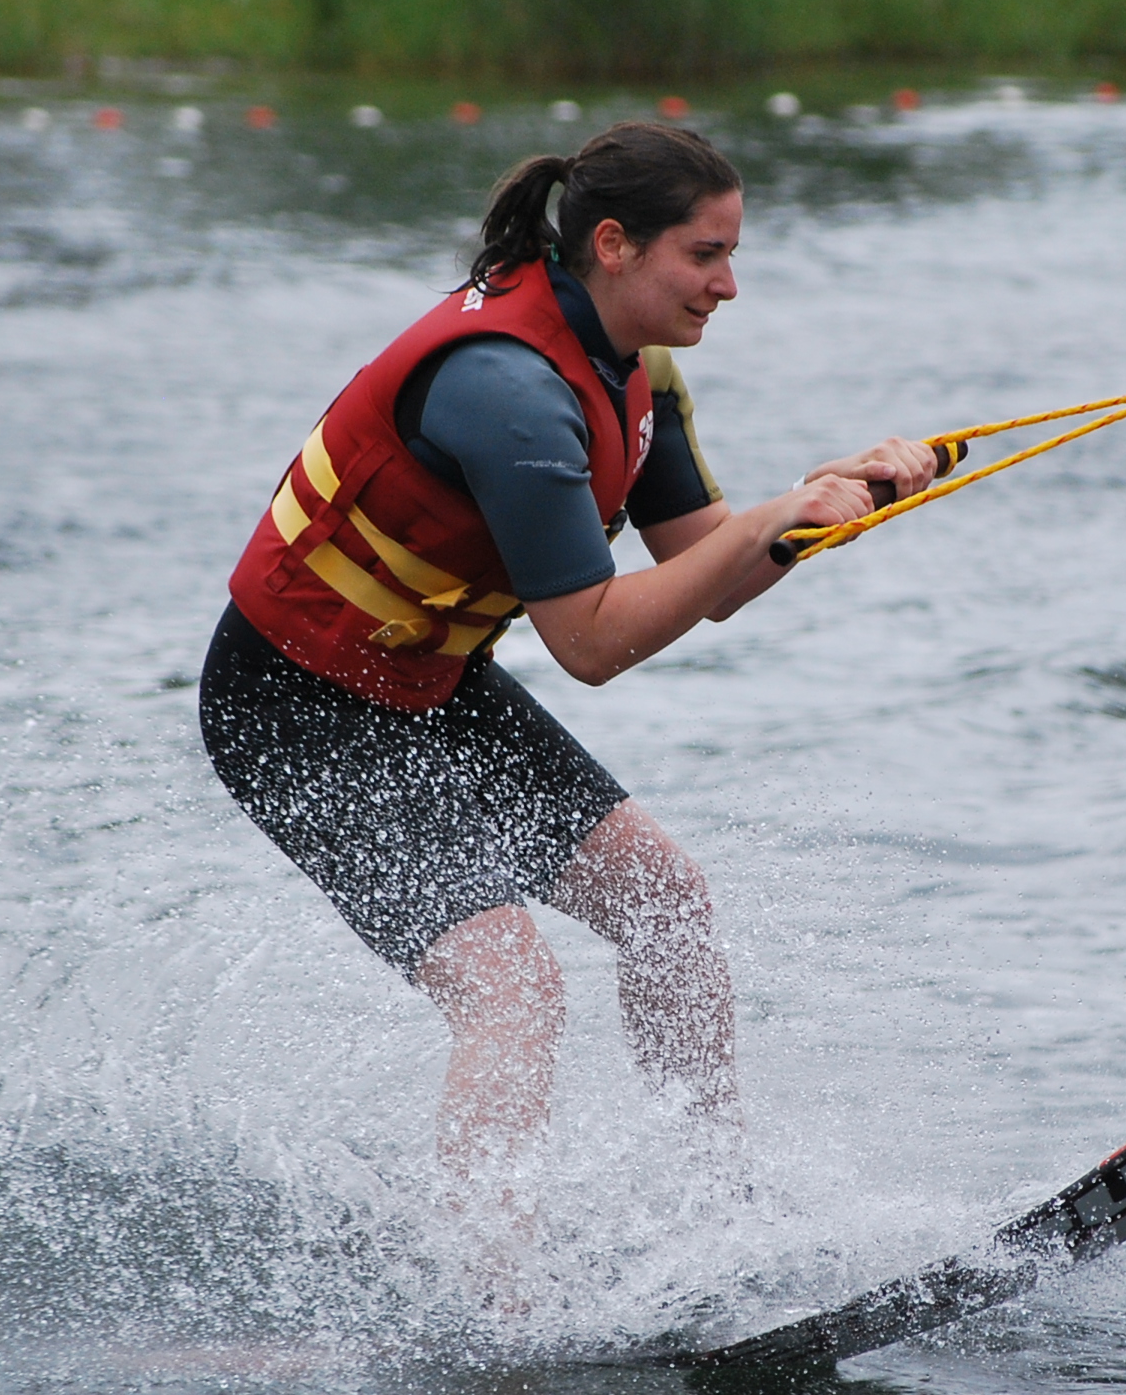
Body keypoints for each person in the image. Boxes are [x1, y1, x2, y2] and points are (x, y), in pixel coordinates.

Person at [199, 120, 939, 1190]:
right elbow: (588, 643)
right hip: (292, 706)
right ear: (613, 245)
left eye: (733, 254)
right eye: (706, 254)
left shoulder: (636, 369)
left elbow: (711, 575)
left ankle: (713, 1209)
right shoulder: (509, 391)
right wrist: (768, 518)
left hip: (430, 682)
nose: (729, 285)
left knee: (666, 906)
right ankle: (490, 1284)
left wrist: (831, 507)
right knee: (512, 989)